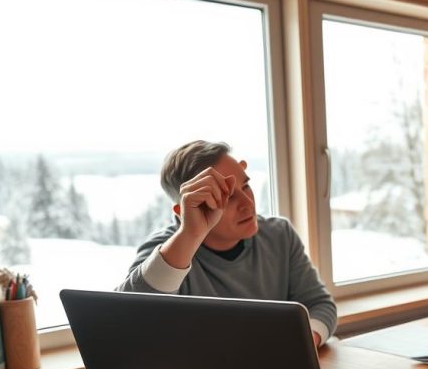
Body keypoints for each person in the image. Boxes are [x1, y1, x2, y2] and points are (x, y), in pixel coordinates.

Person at [117, 141, 336, 348]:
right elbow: (126, 319)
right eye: (228, 196)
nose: (248, 203)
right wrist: (190, 233)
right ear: (184, 212)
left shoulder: (278, 234)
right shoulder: (166, 251)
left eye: (246, 185)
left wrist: (301, 342)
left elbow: (319, 305)